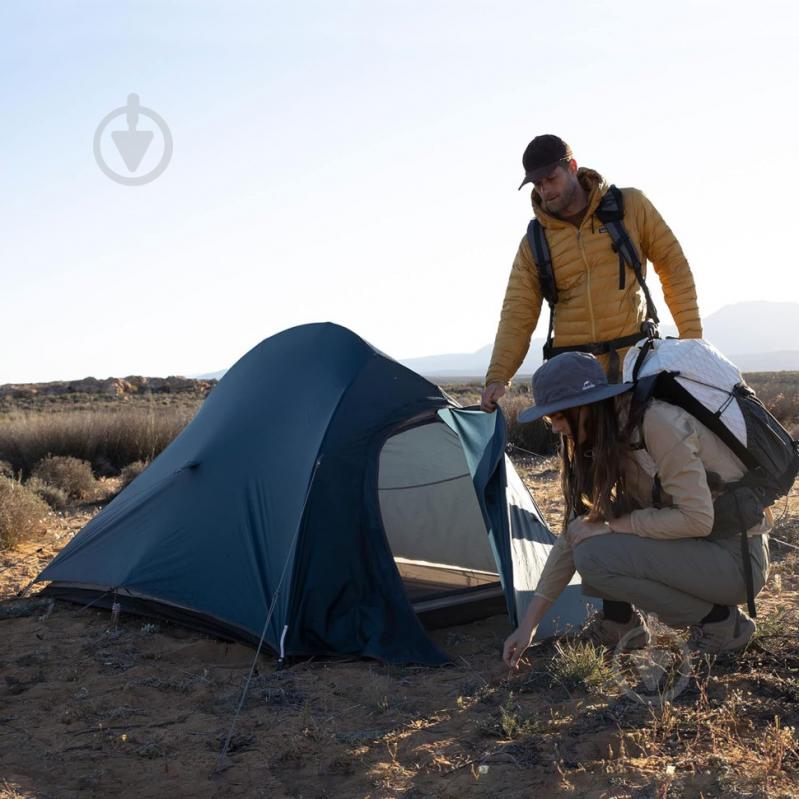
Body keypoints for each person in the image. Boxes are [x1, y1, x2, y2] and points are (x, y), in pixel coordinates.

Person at [501, 351, 771, 670]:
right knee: (589, 541)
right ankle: (619, 623)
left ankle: (721, 623)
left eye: (559, 417)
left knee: (596, 551)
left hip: (735, 563)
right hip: (699, 554)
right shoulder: (609, 437)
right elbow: (572, 536)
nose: (557, 428)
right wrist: (528, 625)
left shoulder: (657, 424)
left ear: (585, 406)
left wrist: (613, 526)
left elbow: (697, 519)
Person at [481, 134, 702, 412]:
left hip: (633, 367)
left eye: (551, 179)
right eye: (537, 184)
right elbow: (517, 313)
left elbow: (674, 269)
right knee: (586, 456)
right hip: (573, 383)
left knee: (648, 450)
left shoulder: (630, 207)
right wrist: (498, 376)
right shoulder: (534, 242)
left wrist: (692, 341)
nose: (545, 190)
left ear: (572, 167)